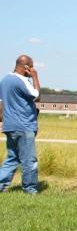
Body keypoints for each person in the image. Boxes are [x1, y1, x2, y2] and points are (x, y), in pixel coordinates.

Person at [0, 55, 42, 194]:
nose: (33, 69)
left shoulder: (5, 80)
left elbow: (1, 104)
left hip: (10, 125)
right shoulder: (21, 80)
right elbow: (37, 95)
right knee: (29, 160)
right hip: (24, 125)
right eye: (32, 66)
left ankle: (1, 184)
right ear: (26, 67)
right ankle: (29, 188)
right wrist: (35, 77)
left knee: (13, 157)